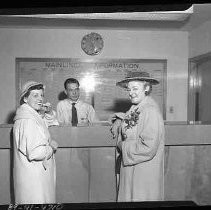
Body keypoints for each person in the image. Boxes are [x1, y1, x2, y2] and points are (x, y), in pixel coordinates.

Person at [110, 71, 165, 202]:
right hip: (133, 169)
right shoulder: (137, 107)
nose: (131, 93)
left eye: (135, 88)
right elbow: (132, 121)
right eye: (129, 89)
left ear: (146, 88)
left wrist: (122, 146)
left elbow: (148, 147)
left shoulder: (151, 111)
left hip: (143, 173)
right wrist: (119, 119)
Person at [13, 81, 58, 204]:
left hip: (34, 179)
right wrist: (51, 147)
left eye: (41, 95)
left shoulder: (30, 115)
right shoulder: (28, 120)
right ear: (25, 98)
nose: (40, 99)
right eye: (35, 95)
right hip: (35, 182)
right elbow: (34, 153)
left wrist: (47, 112)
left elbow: (47, 123)